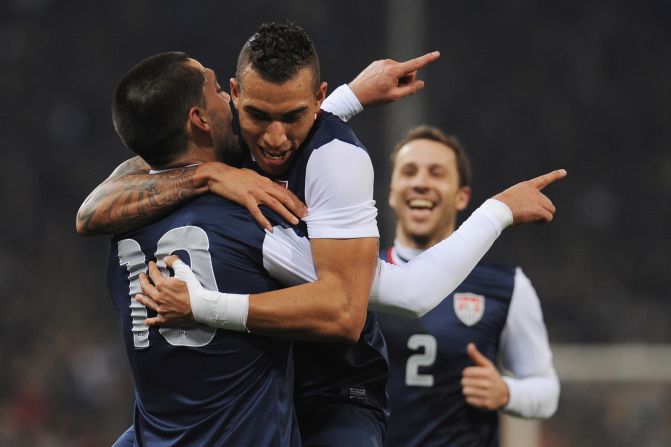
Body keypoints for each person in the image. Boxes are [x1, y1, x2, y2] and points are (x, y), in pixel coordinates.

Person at [81, 22, 566, 447]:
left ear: (315, 101)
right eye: (246, 108)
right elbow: (87, 212)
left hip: (323, 390)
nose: (272, 138)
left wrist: (347, 100)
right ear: (212, 110)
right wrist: (497, 212)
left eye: (293, 116)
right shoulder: (237, 197)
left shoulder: (147, 197)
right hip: (244, 405)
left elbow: (89, 213)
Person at [106, 51, 302, 446]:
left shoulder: (121, 223)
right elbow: (346, 300)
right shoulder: (253, 214)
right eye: (216, 89)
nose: (230, 98)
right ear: (200, 119)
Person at [377, 125, 560, 446]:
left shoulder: (505, 286)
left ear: (462, 196)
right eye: (409, 172)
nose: (420, 183)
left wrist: (507, 392)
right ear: (391, 191)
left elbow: (546, 390)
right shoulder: (360, 275)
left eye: (436, 173)